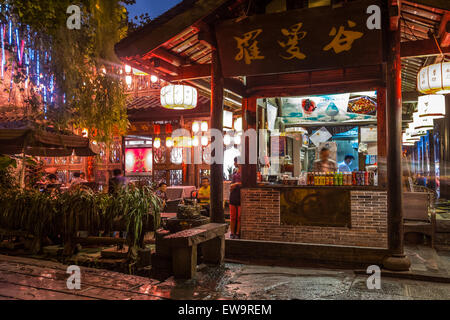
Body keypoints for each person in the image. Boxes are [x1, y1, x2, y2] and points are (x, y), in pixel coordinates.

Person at [229, 157, 242, 239]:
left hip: (240, 195)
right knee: (233, 216)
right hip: (233, 195)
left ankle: (237, 233)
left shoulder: (244, 173)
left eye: (235, 162)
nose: (234, 163)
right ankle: (232, 232)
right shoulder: (235, 172)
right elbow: (231, 186)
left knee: (239, 216)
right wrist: (234, 185)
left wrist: (236, 184)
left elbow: (243, 183)